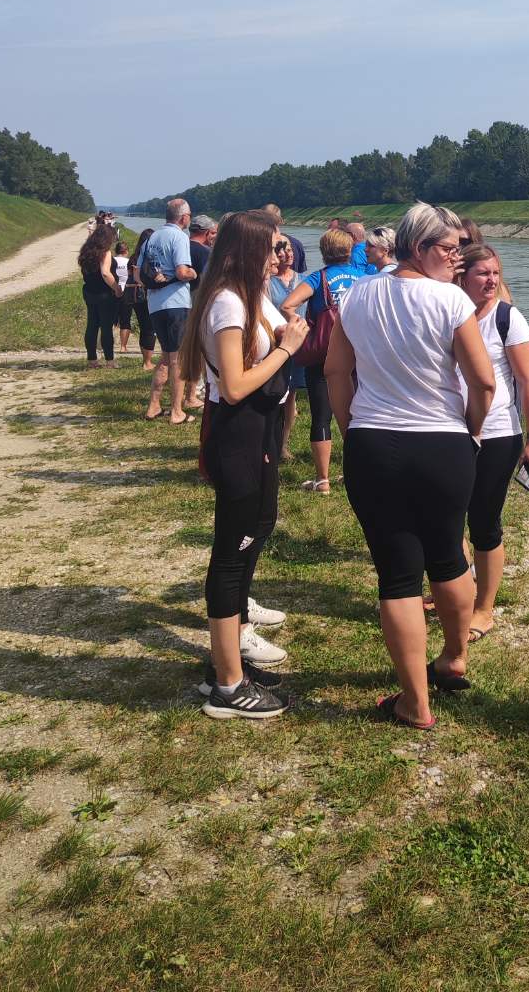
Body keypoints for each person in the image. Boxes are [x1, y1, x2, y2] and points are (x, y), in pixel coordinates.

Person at [324, 202, 496, 729]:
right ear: (419, 249)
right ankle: (453, 656)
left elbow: (336, 369)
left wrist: (351, 425)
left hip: (375, 442)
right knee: (448, 554)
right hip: (443, 444)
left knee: (397, 574)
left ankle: (414, 704)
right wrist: (470, 426)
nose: (457, 260)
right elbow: (484, 380)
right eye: (449, 250)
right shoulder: (448, 300)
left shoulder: (355, 296)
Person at [180, 210, 310, 720]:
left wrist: (292, 331)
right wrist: (286, 350)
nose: (283, 256)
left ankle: (228, 658)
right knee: (231, 553)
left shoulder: (252, 297)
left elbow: (290, 329)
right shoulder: (227, 304)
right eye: (274, 247)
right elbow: (234, 385)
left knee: (257, 529)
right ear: (247, 251)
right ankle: (228, 685)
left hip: (260, 431)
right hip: (237, 435)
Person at [454, 244, 529, 640]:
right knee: (447, 518)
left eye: (495, 273)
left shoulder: (508, 319)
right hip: (451, 432)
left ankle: (484, 608)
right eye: (482, 274)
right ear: (463, 277)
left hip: (497, 435)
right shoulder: (449, 312)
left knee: (484, 523)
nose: (491, 281)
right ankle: (458, 589)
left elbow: (528, 383)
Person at [278, 228, 367, 492]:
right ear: (350, 250)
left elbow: (287, 305)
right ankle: (356, 473)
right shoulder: (364, 278)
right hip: (358, 352)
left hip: (323, 354)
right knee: (358, 415)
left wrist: (300, 325)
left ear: (323, 250)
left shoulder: (319, 278)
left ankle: (323, 480)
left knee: (321, 416)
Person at [142, 198, 198, 425]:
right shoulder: (179, 237)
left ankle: (153, 406)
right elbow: (182, 271)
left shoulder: (151, 238)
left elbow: (139, 274)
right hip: (176, 303)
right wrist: (194, 274)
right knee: (178, 360)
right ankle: (177, 411)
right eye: (190, 215)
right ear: (183, 217)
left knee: (166, 356)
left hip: (154, 304)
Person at [268, 236, 308, 462]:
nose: (289, 254)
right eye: (283, 250)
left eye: (291, 249)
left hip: (298, 346)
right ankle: (268, 443)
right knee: (274, 394)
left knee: (290, 395)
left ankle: (282, 445)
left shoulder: (303, 279)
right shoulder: (268, 282)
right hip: (275, 345)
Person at [77, 225, 122, 368]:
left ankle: (92, 360)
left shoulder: (87, 251)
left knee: (92, 325)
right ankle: (110, 361)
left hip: (89, 291)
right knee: (106, 327)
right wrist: (117, 288)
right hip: (104, 293)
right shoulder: (105, 252)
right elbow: (105, 273)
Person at [122, 228, 159, 371]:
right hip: (146, 294)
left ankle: (145, 359)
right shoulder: (150, 257)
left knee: (144, 327)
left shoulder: (133, 257)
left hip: (133, 296)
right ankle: (147, 362)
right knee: (150, 328)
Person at [260, 204, 305, 272]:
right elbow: (302, 273)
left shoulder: (256, 245)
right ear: (281, 221)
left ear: (260, 221)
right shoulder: (297, 244)